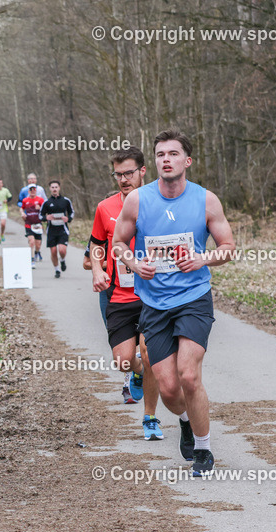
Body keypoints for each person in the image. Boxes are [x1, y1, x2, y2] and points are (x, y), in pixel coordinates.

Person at [112, 130, 236, 476]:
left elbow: (228, 247)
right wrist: (134, 264)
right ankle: (184, 420)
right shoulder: (137, 200)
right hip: (154, 303)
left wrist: (203, 259)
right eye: (160, 154)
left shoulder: (206, 200)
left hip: (194, 299)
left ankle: (204, 450)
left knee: (188, 375)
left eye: (173, 153)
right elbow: (119, 243)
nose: (165, 159)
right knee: (167, 387)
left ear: (187, 160)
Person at [90, 146, 163, 440]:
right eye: (118, 174)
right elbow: (96, 245)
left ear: (142, 171)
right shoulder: (105, 208)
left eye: (128, 173)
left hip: (153, 295)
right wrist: (97, 270)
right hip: (119, 295)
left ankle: (150, 418)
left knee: (148, 353)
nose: (123, 179)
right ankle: (135, 373)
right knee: (123, 360)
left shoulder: (160, 203)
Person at [39, 180, 73, 278]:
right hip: (51, 230)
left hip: (63, 229)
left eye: (56, 187)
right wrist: (46, 218)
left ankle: (62, 260)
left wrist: (68, 219)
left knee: (62, 250)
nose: (54, 189)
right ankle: (57, 269)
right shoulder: (47, 202)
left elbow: (71, 212)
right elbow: (40, 215)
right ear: (50, 189)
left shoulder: (66, 201)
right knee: (53, 251)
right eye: (52, 187)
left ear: (59, 188)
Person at [20, 185, 45, 266]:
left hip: (38, 224)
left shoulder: (40, 200)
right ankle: (32, 259)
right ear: (28, 191)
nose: (32, 192)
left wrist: (40, 208)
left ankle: (37, 252)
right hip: (28, 224)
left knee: (38, 244)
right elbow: (21, 208)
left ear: (36, 191)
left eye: (34, 190)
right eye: (31, 190)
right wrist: (22, 213)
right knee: (31, 242)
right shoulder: (25, 200)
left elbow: (45, 210)